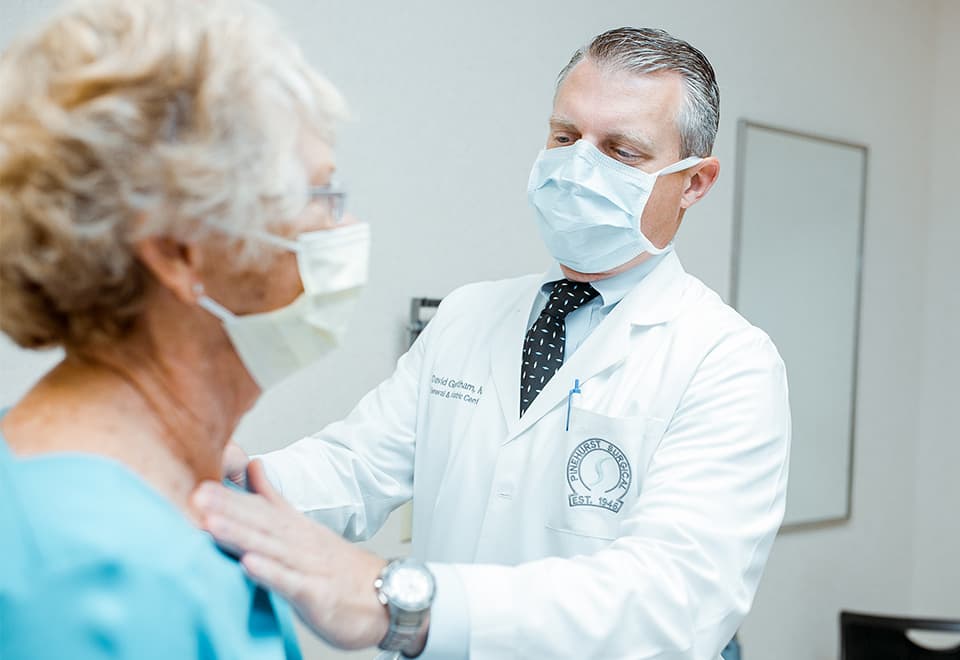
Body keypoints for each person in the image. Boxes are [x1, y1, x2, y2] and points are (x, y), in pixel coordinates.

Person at [193, 27, 791, 659]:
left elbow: (671, 600)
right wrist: (240, 483)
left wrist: (404, 605)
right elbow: (357, 467)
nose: (577, 167)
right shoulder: (470, 314)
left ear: (694, 183)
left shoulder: (728, 362)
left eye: (620, 151)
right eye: (565, 138)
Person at [0, 0, 369, 656]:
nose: (343, 231)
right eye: (321, 197)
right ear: (180, 253)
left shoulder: (151, 493)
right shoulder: (101, 579)